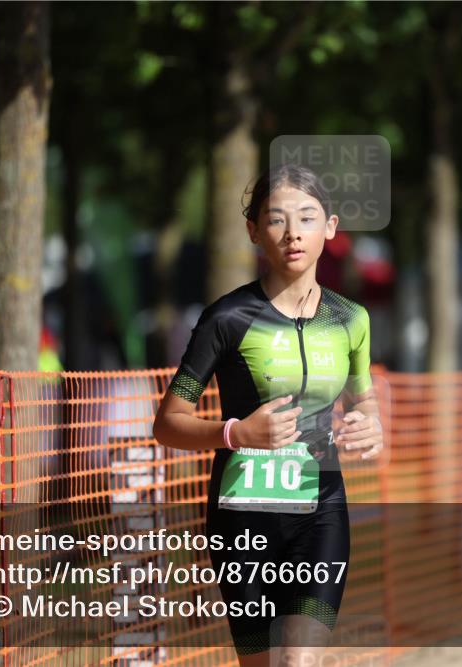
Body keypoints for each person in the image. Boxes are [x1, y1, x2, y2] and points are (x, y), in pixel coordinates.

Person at [153, 165, 383, 666]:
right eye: (276, 219)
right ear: (254, 231)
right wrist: (236, 433)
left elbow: (363, 400)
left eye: (307, 217)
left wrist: (371, 425)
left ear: (331, 227)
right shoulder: (225, 318)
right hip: (242, 519)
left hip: (321, 511)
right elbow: (168, 423)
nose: (293, 232)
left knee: (299, 661)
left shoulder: (351, 319)